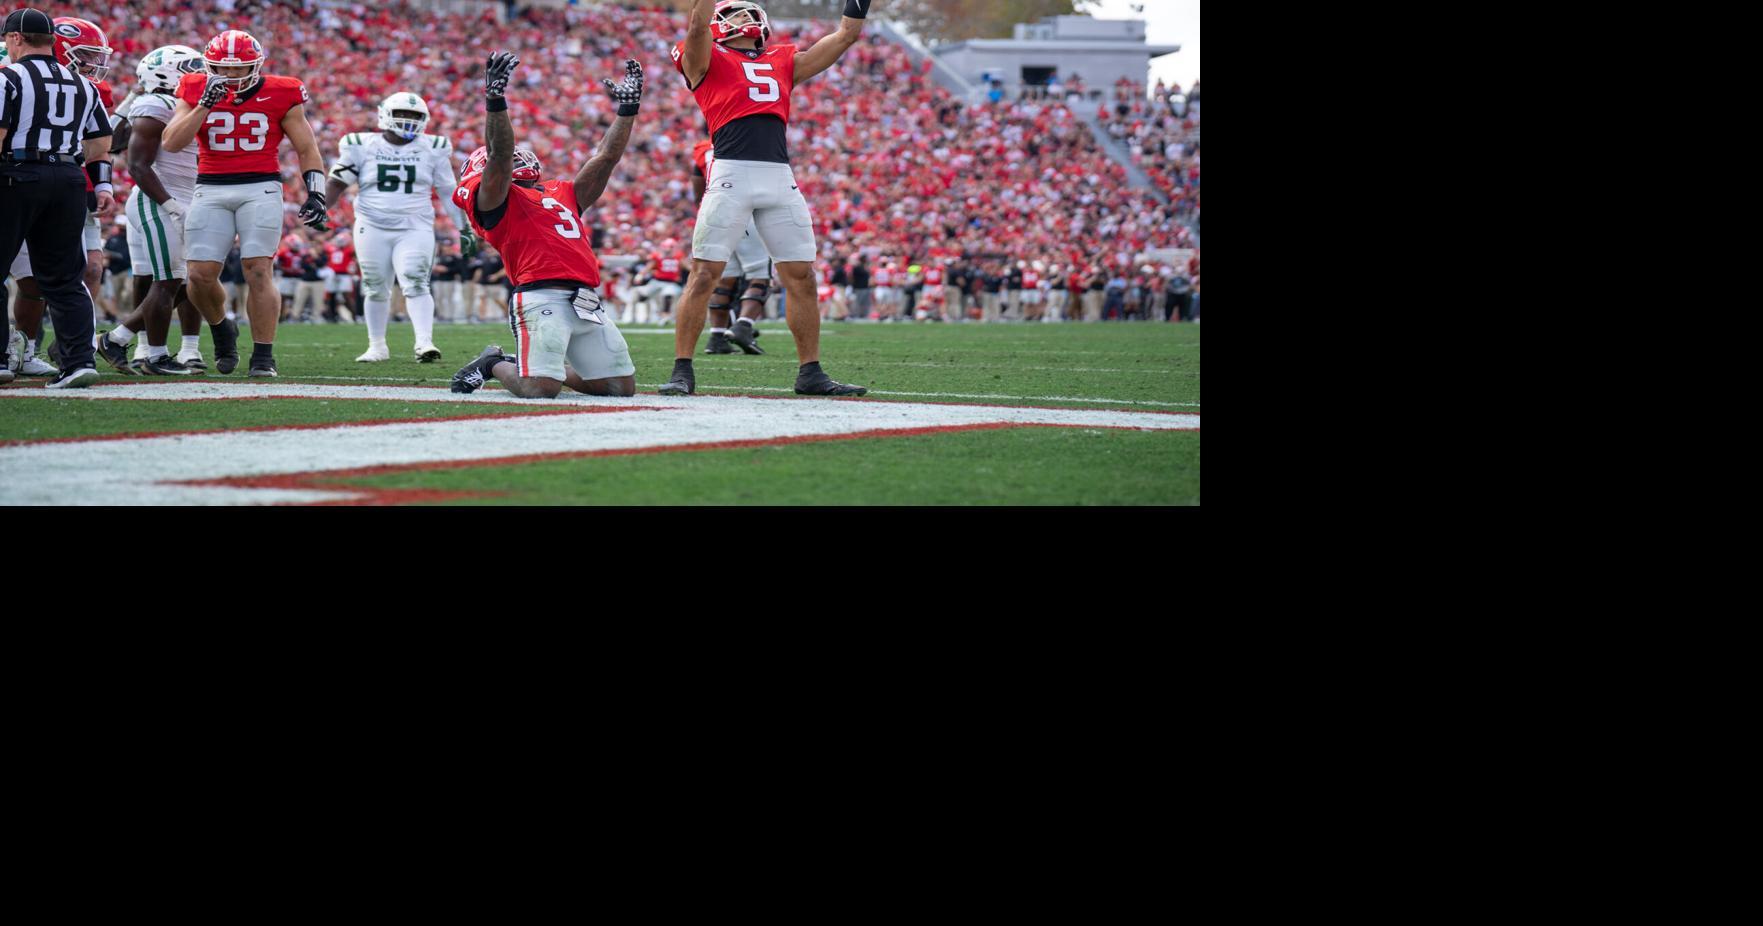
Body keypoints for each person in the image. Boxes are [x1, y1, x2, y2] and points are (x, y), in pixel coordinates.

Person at [660, 0, 871, 397]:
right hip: (731, 173)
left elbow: (846, 36)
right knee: (705, 274)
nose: (746, 16)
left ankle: (810, 372)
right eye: (735, 12)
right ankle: (681, 370)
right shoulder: (705, 57)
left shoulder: (781, 58)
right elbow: (696, 26)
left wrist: (857, 5)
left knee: (802, 277)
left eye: (747, 11)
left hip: (778, 173)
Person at [448, 52, 639, 399]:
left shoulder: (559, 192)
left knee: (617, 388)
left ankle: (535, 366)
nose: (518, 155)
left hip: (585, 299)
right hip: (540, 296)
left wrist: (627, 112)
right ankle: (492, 364)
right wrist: (495, 101)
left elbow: (606, 157)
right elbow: (500, 154)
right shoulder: (492, 200)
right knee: (539, 390)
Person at [161, 29, 324, 377]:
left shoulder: (283, 91)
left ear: (257, 65)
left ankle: (263, 356)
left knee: (258, 269)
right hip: (209, 186)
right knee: (199, 276)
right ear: (209, 66)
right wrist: (205, 102)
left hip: (260, 187)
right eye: (222, 68)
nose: (231, 76)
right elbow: (172, 143)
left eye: (240, 68)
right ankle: (222, 329)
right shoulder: (193, 87)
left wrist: (316, 191)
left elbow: (306, 147)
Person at [0, 7, 115, 389]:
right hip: (68, 178)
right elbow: (100, 144)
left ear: (15, 39)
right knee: (66, 278)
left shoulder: (8, 77)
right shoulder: (83, 84)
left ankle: (2, 358)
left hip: (17, 174)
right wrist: (102, 185)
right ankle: (79, 361)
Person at [326, 92, 472, 363]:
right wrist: (323, 209)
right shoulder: (361, 144)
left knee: (416, 281)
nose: (408, 121)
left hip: (414, 226)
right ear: (385, 115)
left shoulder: (434, 146)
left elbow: (447, 190)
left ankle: (424, 343)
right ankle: (377, 345)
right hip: (371, 224)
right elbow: (337, 181)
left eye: (415, 116)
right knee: (374, 286)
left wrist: (464, 227)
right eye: (402, 114)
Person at [101, 44, 208, 375]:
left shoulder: (181, 104)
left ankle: (120, 340)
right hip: (160, 197)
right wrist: (171, 204)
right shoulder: (155, 103)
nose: (200, 72)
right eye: (191, 67)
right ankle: (151, 353)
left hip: (180, 196)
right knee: (168, 280)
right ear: (168, 72)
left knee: (181, 279)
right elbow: (126, 155)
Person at [693, 138, 770, 355]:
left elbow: (697, 185)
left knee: (725, 280)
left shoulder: (702, 149)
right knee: (762, 275)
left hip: (713, 214)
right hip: (744, 211)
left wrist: (704, 210)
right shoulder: (748, 139)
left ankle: (717, 337)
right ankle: (744, 325)